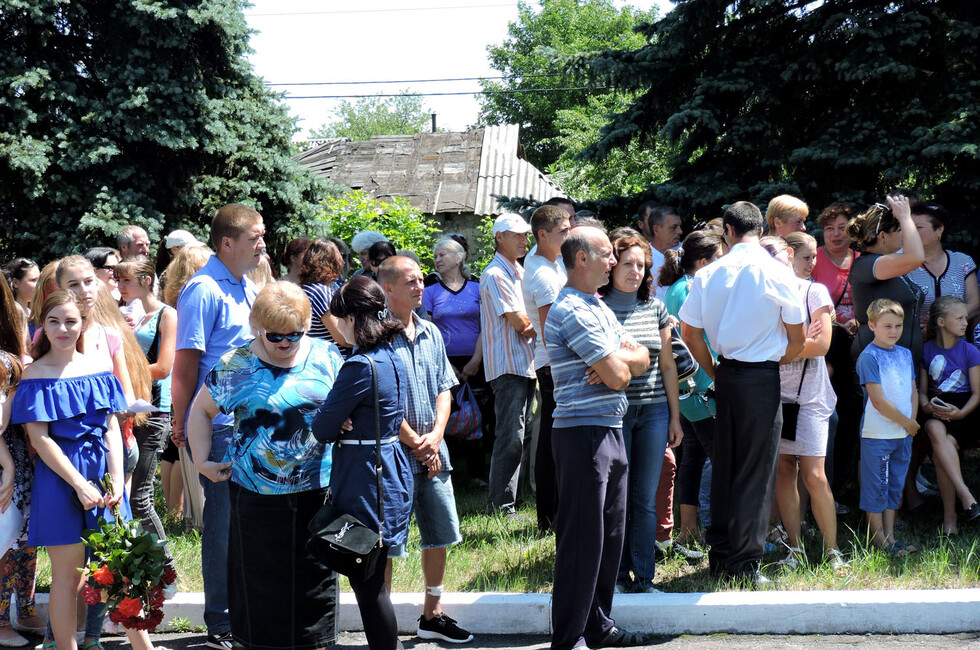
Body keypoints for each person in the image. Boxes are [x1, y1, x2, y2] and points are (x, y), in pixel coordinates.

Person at [188, 282, 343, 650]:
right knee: (258, 587)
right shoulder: (235, 365)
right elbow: (201, 412)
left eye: (295, 334)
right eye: (276, 336)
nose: (286, 343)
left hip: (317, 493)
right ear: (257, 325)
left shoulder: (326, 355)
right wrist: (202, 461)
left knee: (315, 583)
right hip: (255, 497)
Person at [10, 291, 154, 650]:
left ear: (84, 324)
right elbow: (41, 440)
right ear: (42, 324)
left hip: (104, 475)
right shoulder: (33, 376)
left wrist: (118, 479)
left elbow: (110, 429)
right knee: (68, 576)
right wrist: (78, 484)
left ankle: (144, 648)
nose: (63, 328)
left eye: (71, 321)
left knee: (120, 568)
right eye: (54, 321)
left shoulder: (98, 370)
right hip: (59, 480)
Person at [680, 201, 805, 584]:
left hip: (726, 374)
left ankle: (721, 554)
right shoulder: (777, 271)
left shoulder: (708, 273)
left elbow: (689, 333)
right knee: (756, 469)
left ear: (729, 232)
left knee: (725, 466)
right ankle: (745, 562)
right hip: (762, 376)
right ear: (761, 229)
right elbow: (798, 337)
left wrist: (715, 370)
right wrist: (772, 358)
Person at [546, 226, 651, 649]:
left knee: (608, 536)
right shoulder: (572, 309)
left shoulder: (597, 306)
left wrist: (618, 360)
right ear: (582, 259)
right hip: (582, 433)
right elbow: (622, 374)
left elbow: (641, 357)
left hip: (606, 428)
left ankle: (599, 627)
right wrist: (618, 364)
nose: (614, 262)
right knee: (582, 540)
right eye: (607, 255)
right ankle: (567, 638)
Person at [171, 204, 264, 650]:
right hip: (219, 427)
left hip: (253, 425)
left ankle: (245, 614)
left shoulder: (245, 284)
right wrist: (182, 421)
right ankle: (220, 622)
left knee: (249, 525)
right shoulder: (203, 289)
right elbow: (186, 364)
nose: (263, 244)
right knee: (223, 525)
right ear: (227, 242)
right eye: (255, 237)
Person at [311, 276, 412, 650]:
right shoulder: (394, 357)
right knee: (373, 578)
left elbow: (321, 427)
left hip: (366, 478)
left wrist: (336, 422)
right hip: (389, 470)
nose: (337, 327)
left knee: (367, 584)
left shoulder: (360, 365)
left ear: (354, 318)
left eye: (341, 319)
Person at [378, 257, 472, 644]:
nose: (420, 286)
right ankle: (380, 620)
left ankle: (432, 615)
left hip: (434, 451)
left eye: (421, 280)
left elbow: (444, 388)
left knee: (440, 533)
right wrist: (414, 442)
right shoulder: (375, 336)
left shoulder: (432, 332)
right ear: (387, 289)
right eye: (410, 281)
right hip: (394, 455)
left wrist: (434, 435)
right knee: (387, 541)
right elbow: (377, 397)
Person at [598, 231, 683, 593]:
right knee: (616, 499)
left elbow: (667, 366)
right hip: (613, 413)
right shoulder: (596, 306)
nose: (635, 271)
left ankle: (645, 578)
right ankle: (616, 575)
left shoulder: (655, 307)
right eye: (628, 264)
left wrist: (675, 416)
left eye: (641, 264)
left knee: (645, 500)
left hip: (653, 412)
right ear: (612, 266)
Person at [761, 235, 843, 569]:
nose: (765, 258)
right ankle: (794, 550)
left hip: (809, 394)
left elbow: (821, 344)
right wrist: (795, 345)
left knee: (813, 474)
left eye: (772, 252)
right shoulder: (758, 295)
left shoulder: (813, 291)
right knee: (784, 470)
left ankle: (832, 551)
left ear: (787, 254)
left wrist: (768, 353)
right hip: (773, 394)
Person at [661, 230, 725, 547]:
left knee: (693, 459)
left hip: (687, 391)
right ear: (703, 262)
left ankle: (688, 531)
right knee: (719, 460)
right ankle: (717, 533)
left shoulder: (676, 287)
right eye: (718, 259)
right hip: (701, 389)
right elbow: (692, 340)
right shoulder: (690, 288)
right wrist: (714, 376)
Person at [114, 256, 177, 576]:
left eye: (125, 281)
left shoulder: (166, 315)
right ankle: (132, 564)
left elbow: (164, 368)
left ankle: (166, 569)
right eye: (118, 281)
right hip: (121, 411)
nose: (120, 287)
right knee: (119, 494)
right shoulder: (121, 315)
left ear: (147, 281)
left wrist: (122, 379)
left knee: (139, 497)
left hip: (152, 412)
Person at [480, 213, 536, 516]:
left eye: (525, 235)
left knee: (521, 434)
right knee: (510, 435)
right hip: (508, 366)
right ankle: (500, 505)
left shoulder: (518, 270)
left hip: (524, 363)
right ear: (499, 237)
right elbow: (522, 323)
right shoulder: (495, 275)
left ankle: (510, 500)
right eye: (516, 235)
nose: (523, 240)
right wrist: (547, 321)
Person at [422, 235, 490, 485]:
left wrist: (475, 360)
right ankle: (445, 471)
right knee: (445, 415)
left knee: (480, 416)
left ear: (459, 257)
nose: (437, 259)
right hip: (444, 362)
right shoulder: (429, 292)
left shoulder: (477, 287)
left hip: (476, 361)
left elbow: (485, 326)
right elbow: (429, 330)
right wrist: (447, 365)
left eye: (442, 255)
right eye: (436, 255)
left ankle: (477, 474)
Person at [855, 298, 919, 556]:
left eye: (898, 326)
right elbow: (878, 401)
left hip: (903, 434)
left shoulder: (905, 354)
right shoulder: (868, 357)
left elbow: (913, 391)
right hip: (877, 434)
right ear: (871, 325)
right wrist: (907, 423)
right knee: (876, 486)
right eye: (887, 326)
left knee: (894, 485)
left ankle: (891, 537)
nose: (894, 331)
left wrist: (910, 425)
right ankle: (877, 538)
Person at [521, 205, 570, 532]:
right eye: (563, 231)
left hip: (553, 362)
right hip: (555, 362)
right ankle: (550, 516)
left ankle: (550, 514)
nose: (569, 235)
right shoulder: (542, 273)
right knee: (554, 441)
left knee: (554, 438)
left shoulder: (551, 264)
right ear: (543, 234)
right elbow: (555, 327)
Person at [918, 296, 980, 535]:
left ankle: (950, 516)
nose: (965, 322)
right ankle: (966, 497)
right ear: (942, 322)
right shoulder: (926, 349)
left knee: (942, 448)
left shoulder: (970, 351)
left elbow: (977, 394)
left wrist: (961, 413)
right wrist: (926, 407)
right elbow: (923, 392)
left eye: (966, 317)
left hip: (966, 408)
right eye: (960, 318)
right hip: (937, 406)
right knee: (934, 429)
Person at [0, 279, 39, 647]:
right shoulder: (6, 362)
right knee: (9, 540)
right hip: (9, 460)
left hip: (15, 457)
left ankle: (24, 610)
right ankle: (3, 622)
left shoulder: (9, 359)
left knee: (21, 539)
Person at [845, 195, 925, 365]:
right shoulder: (865, 264)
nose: (904, 234)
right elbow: (917, 256)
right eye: (899, 231)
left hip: (904, 361)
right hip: (879, 361)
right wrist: (904, 217)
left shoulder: (889, 263)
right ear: (883, 236)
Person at [905, 200, 979, 334]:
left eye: (919, 227)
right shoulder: (902, 265)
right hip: (917, 345)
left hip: (956, 346)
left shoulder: (962, 262)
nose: (911, 232)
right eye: (909, 227)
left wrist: (939, 325)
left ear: (939, 230)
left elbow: (974, 305)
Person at [812, 202, 860, 330]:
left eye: (842, 228)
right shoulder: (812, 259)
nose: (836, 234)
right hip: (827, 336)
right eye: (829, 228)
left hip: (860, 336)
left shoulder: (863, 260)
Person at [299, 239, 349, 352]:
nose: (343, 263)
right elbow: (342, 338)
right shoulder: (320, 292)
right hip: (330, 360)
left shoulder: (308, 289)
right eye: (339, 258)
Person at [636, 202, 682, 299]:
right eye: (673, 227)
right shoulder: (643, 256)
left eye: (679, 226)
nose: (680, 231)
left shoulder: (687, 252)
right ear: (656, 230)